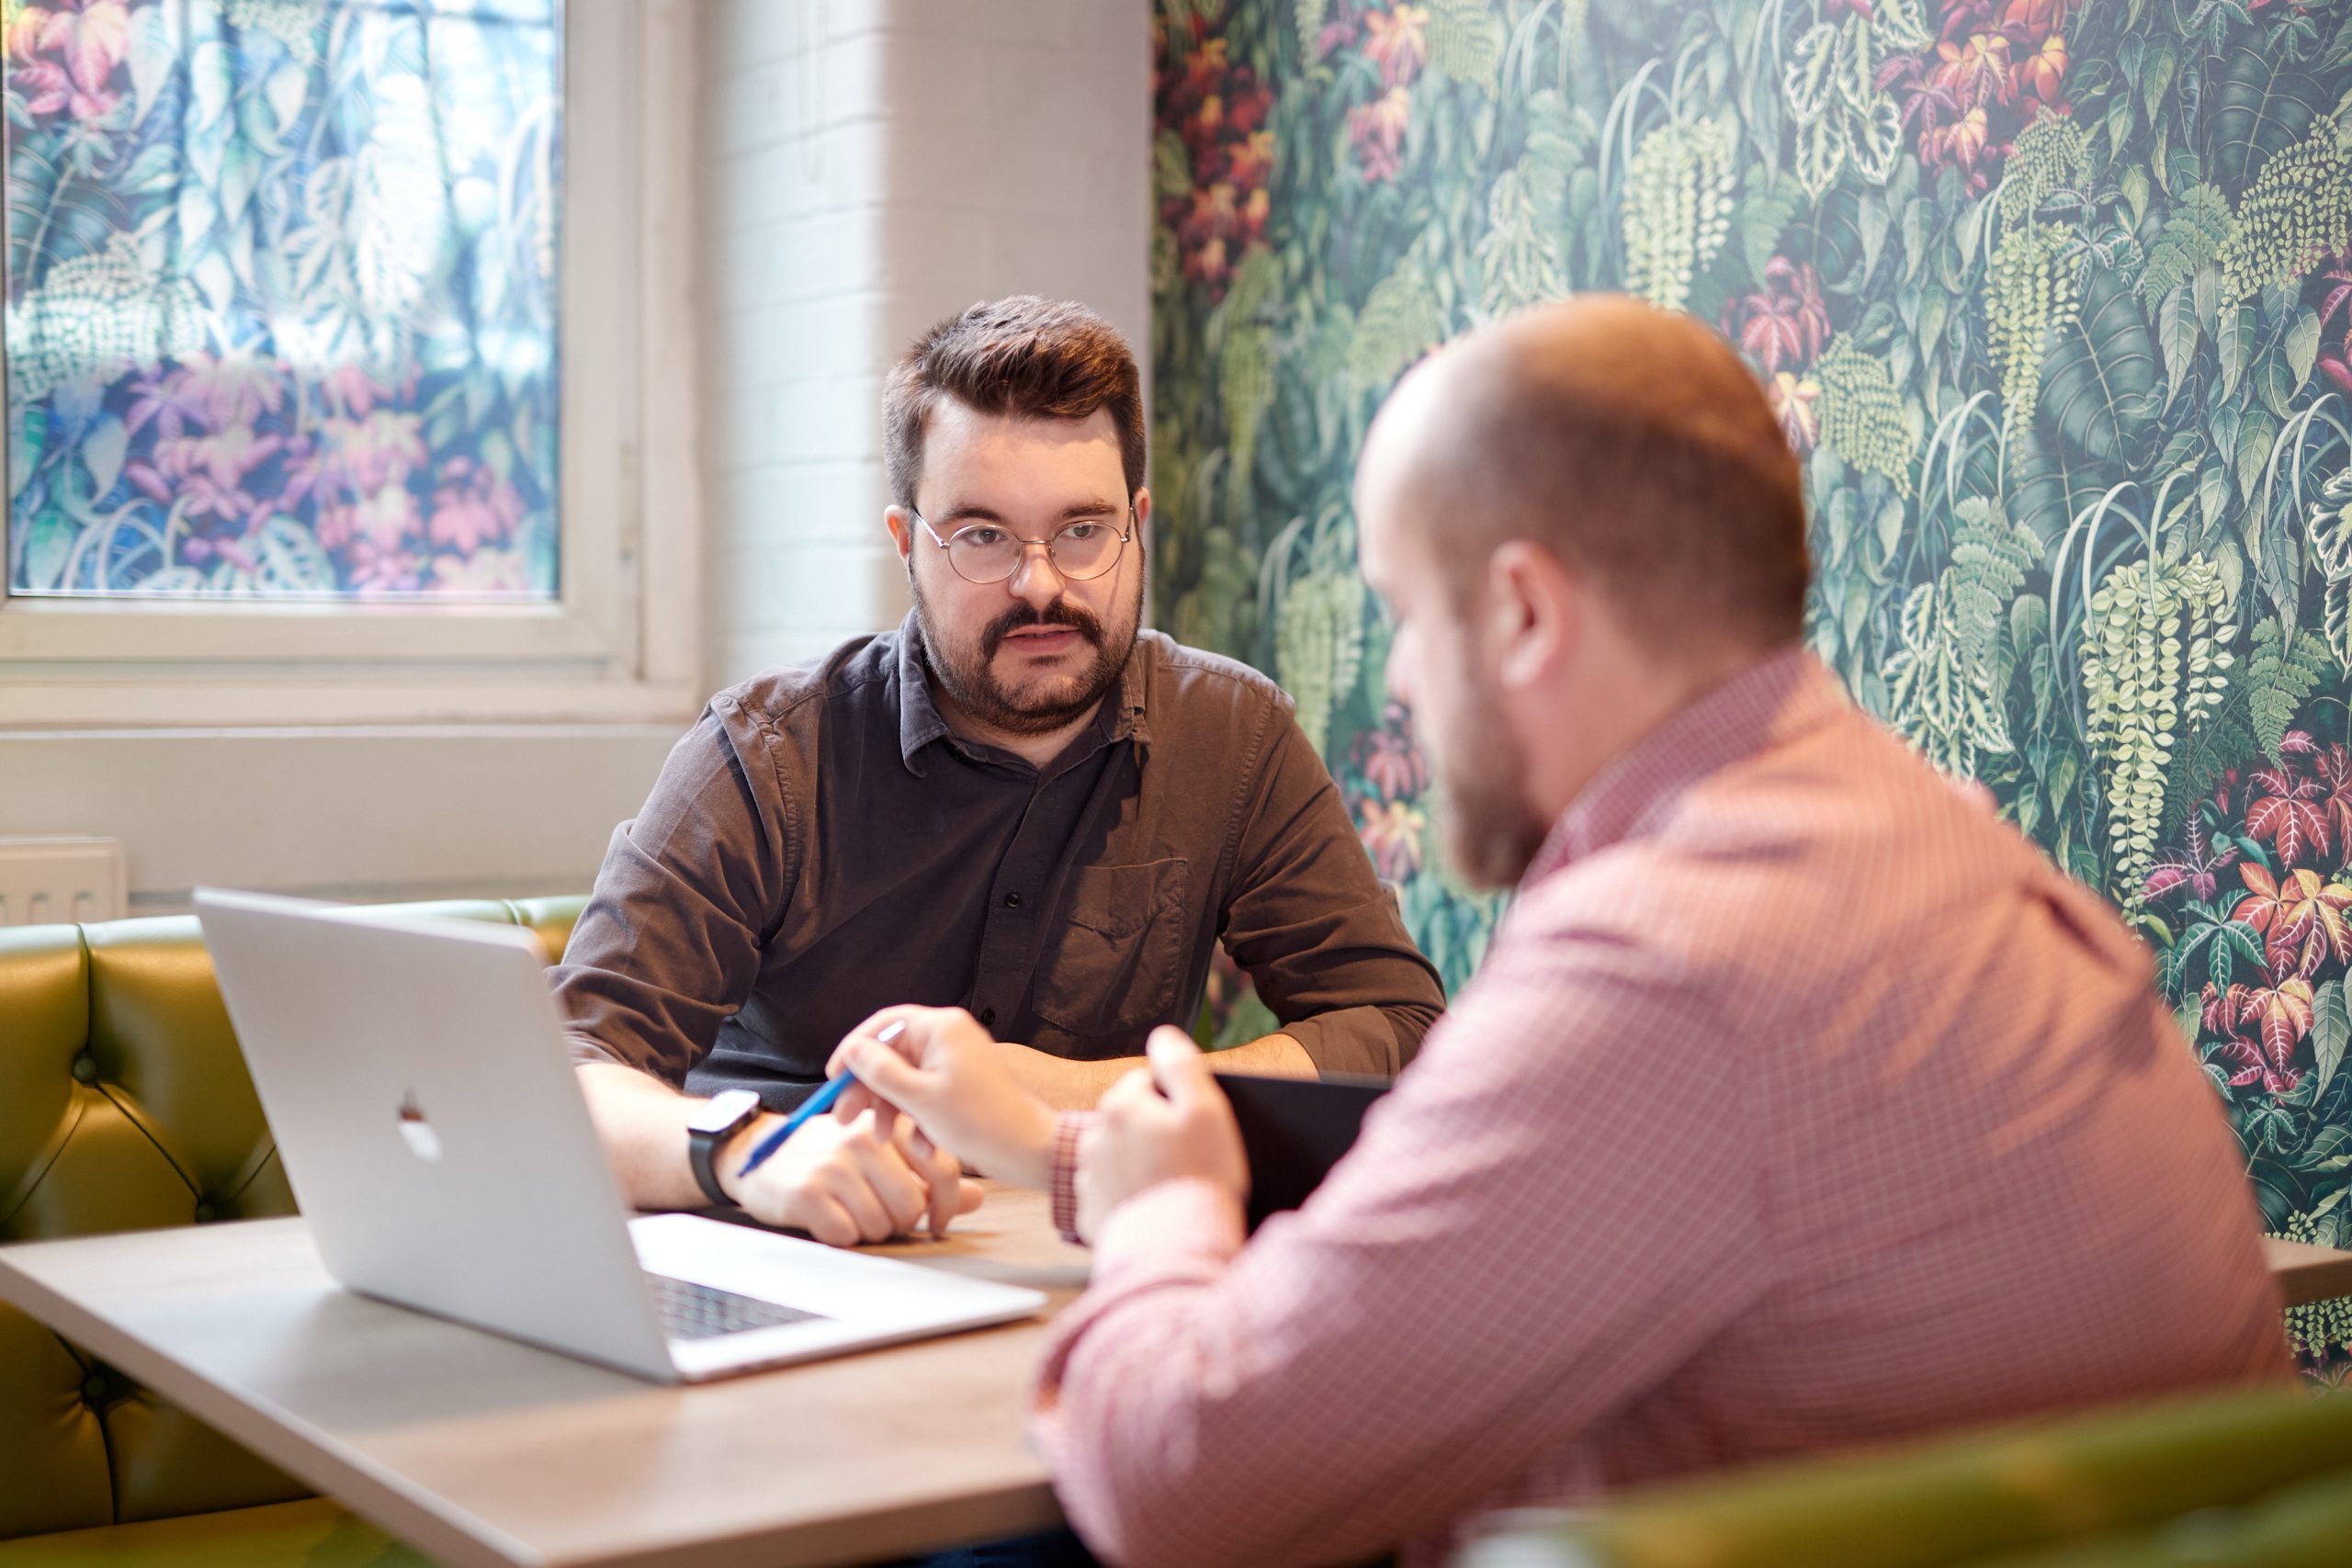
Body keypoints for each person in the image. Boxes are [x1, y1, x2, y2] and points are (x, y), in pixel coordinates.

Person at [825, 297, 2296, 1565]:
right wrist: (1108, 1154)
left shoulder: (1670, 962)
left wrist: (1154, 1215)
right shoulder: (1917, 839)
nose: (1399, 682)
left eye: (1406, 613)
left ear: (1523, 612)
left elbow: (1176, 1485)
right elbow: (1522, 1216)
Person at [551, 296, 1445, 1249]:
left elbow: (1393, 1025)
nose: (1040, 584)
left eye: (1081, 531)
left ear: (1136, 525)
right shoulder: (767, 755)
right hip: (791, 1250)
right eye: (981, 536)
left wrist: (1056, 1095)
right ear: (907, 543)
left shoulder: (1231, 733)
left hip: (1078, 1256)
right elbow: (570, 1070)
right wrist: (751, 1156)